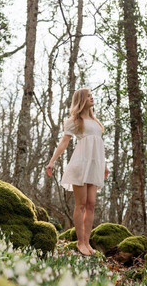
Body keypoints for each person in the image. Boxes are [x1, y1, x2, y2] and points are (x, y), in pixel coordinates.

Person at [46, 88, 108, 256]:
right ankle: (80, 242)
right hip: (80, 164)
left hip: (94, 166)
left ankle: (87, 243)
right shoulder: (74, 121)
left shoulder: (95, 122)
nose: (92, 97)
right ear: (81, 99)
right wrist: (52, 162)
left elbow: (98, 146)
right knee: (80, 204)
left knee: (92, 204)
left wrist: (104, 165)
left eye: (91, 95)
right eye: (88, 96)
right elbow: (64, 142)